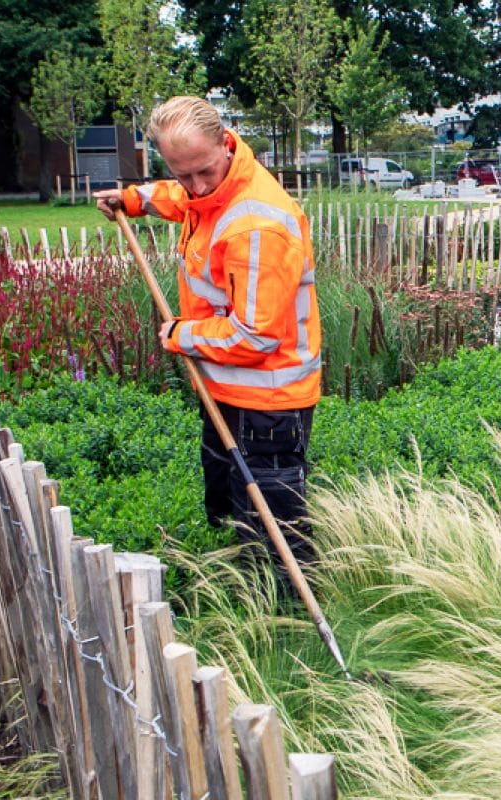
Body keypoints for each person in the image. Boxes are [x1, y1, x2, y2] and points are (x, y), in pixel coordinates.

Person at [95, 97, 321, 580]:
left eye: (203, 171)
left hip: (269, 400)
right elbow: (185, 201)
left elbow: (253, 336)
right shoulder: (207, 192)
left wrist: (181, 334)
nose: (196, 186)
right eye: (183, 174)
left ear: (225, 143)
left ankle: (290, 616)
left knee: (273, 524)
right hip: (225, 386)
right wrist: (134, 200)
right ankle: (236, 585)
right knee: (230, 502)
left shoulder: (258, 225)